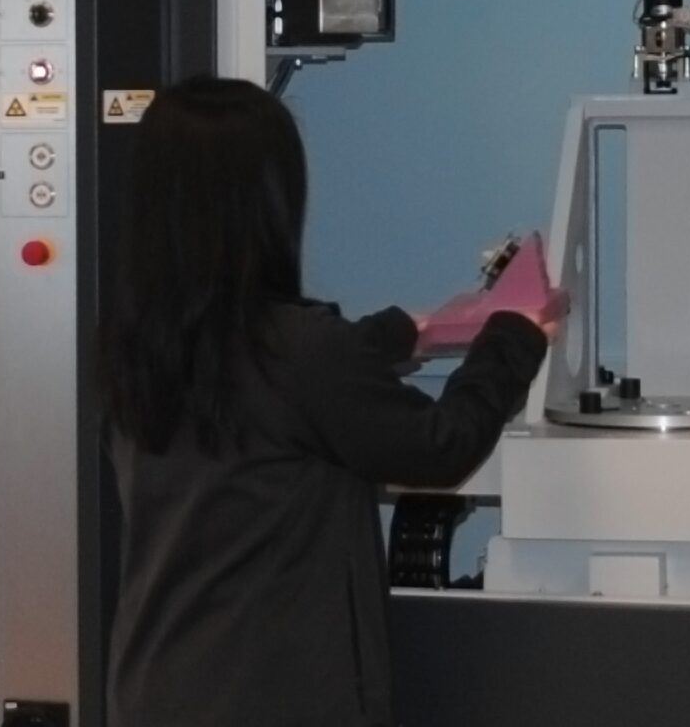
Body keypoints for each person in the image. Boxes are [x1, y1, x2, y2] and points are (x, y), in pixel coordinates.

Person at [96, 75, 554, 727]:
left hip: (157, 687)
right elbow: (440, 446)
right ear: (267, 203)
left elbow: (269, 393)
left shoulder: (139, 345)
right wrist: (515, 333)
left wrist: (405, 333)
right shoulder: (299, 351)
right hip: (273, 699)